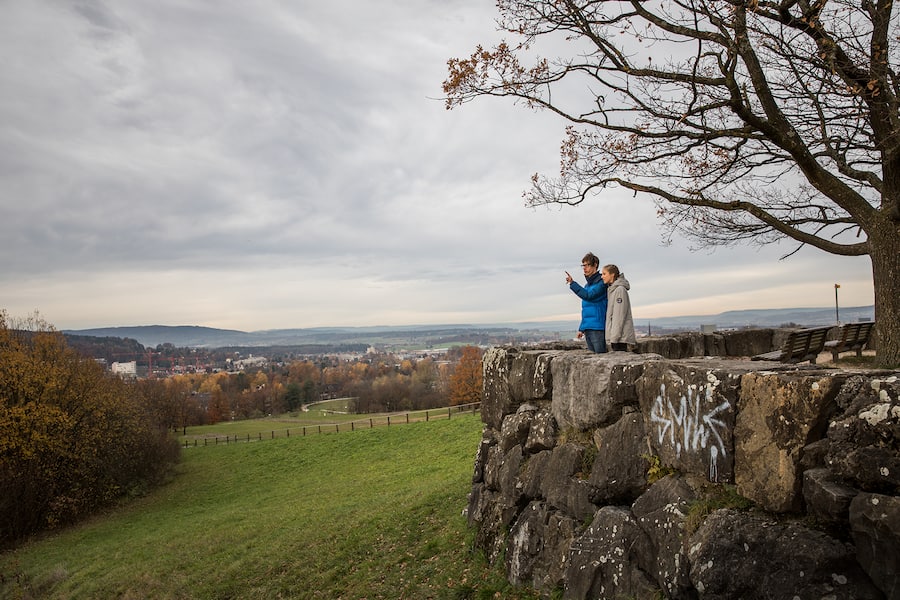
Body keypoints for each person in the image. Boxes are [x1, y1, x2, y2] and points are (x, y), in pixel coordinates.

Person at [565, 252, 608, 353]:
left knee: (600, 358)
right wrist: (582, 328)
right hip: (589, 328)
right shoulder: (587, 286)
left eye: (587, 265)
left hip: (598, 327)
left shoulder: (601, 283)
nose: (584, 268)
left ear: (595, 265)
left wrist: (572, 283)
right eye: (583, 265)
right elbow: (586, 310)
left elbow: (589, 296)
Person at [601, 264, 636, 351]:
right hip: (617, 338)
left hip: (620, 339)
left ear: (612, 274)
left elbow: (619, 316)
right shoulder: (612, 290)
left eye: (604, 274)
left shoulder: (619, 290)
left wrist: (614, 339)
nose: (602, 277)